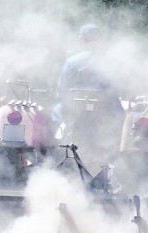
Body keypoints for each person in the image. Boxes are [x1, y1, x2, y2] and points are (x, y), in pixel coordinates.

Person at [52, 24, 124, 172]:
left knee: (56, 111)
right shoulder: (109, 62)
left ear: (81, 40)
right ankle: (119, 146)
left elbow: (62, 89)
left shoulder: (71, 62)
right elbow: (115, 87)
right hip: (104, 111)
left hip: (74, 111)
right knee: (122, 116)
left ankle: (58, 140)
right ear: (100, 40)